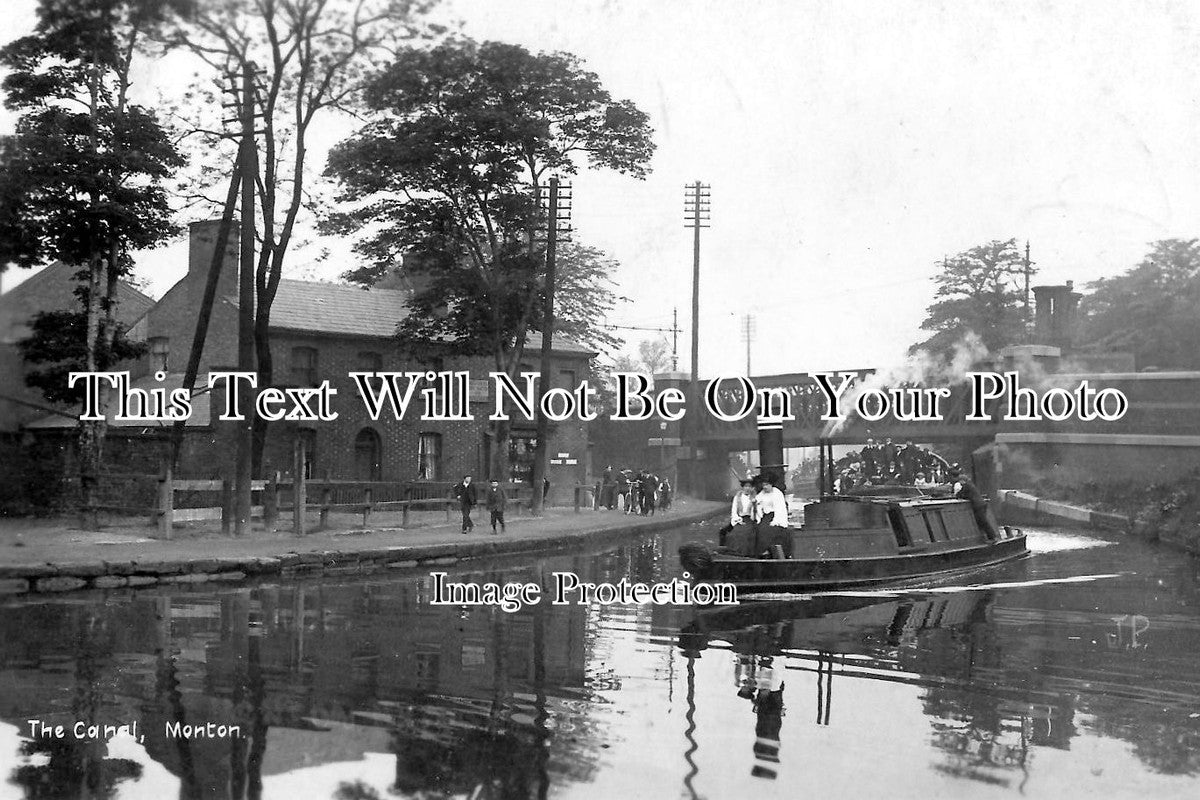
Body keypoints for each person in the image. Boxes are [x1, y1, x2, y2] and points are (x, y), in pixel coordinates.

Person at [950, 466, 1000, 540]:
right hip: (981, 504)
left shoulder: (966, 486)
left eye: (960, 481)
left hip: (978, 506)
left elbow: (959, 494)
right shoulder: (971, 485)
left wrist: (956, 495)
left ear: (962, 481)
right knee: (981, 521)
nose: (960, 482)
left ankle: (993, 537)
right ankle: (987, 537)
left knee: (983, 521)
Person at [752, 476, 791, 557]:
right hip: (766, 516)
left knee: (771, 529)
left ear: (771, 484)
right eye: (763, 485)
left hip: (776, 515)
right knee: (761, 529)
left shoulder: (777, 493)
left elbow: (780, 508)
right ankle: (762, 550)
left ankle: (770, 550)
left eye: (766, 485)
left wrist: (775, 521)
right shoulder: (762, 494)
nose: (765, 487)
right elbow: (757, 502)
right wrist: (756, 503)